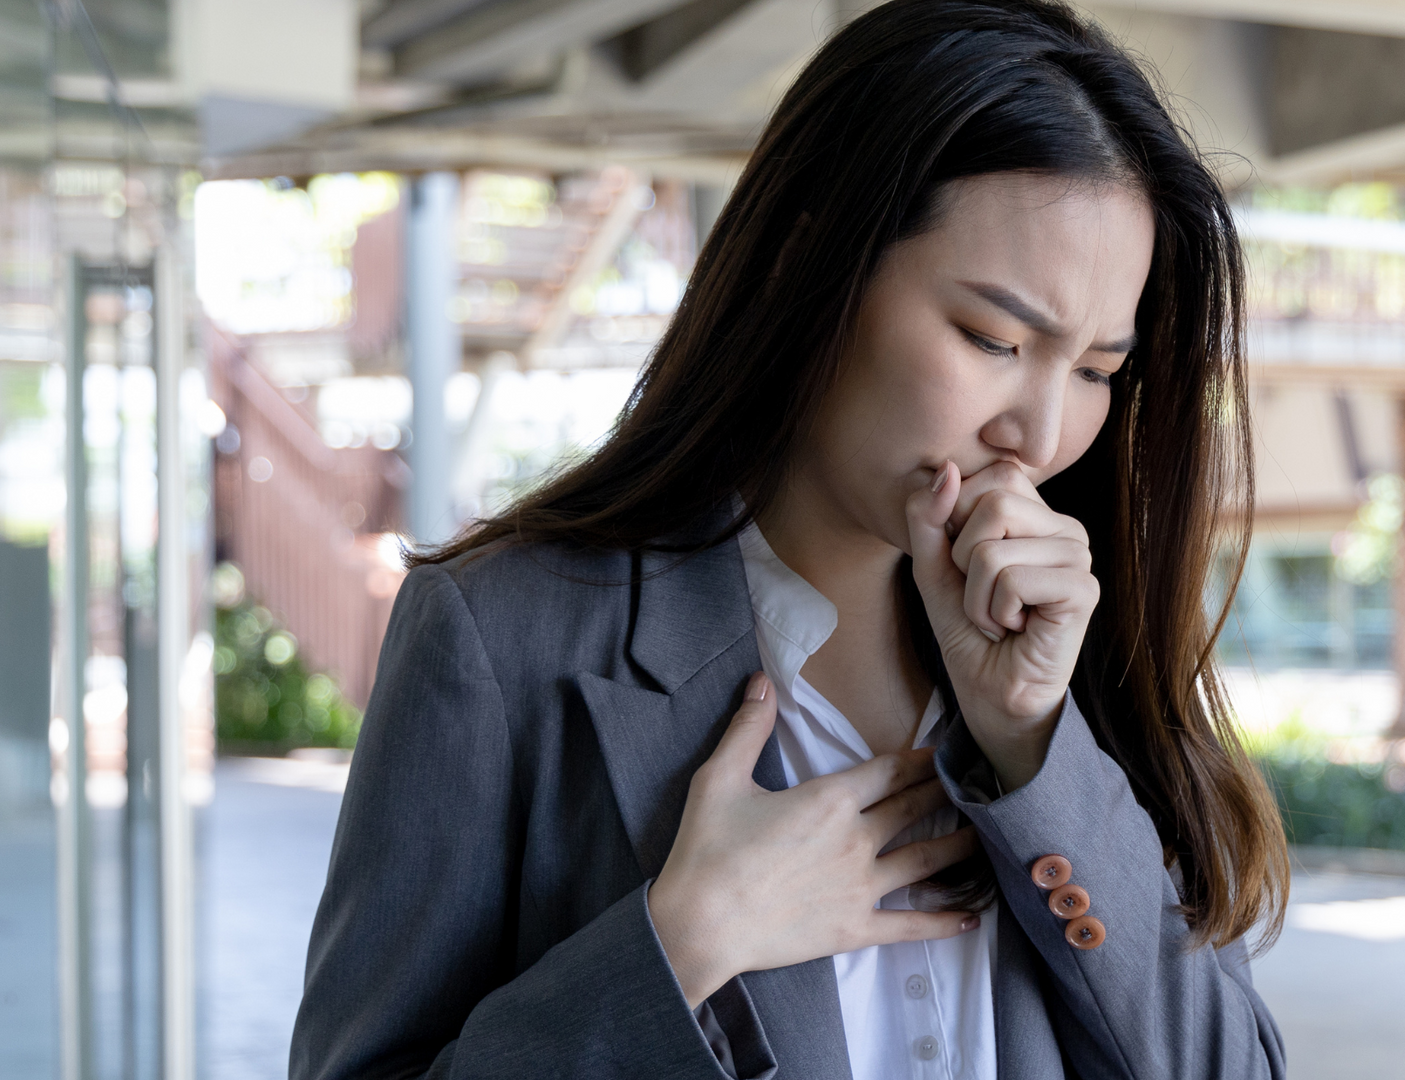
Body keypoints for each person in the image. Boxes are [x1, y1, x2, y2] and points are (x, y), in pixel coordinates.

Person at [290, 1, 1290, 1077]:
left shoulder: (1075, 648)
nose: (1039, 434)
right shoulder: (504, 637)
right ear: (807, 267)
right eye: (993, 336)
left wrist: (1033, 742)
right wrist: (682, 944)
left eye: (1097, 370)